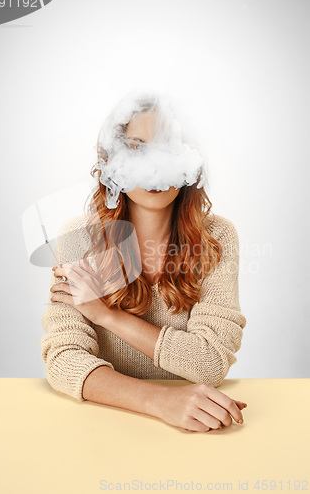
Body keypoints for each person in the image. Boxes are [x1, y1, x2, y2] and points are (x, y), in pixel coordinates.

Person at [40, 90, 248, 432]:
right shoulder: (78, 240)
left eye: (167, 147)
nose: (154, 165)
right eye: (137, 148)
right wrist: (160, 401)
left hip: (197, 427)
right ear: (111, 163)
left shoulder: (217, 238)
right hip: (102, 427)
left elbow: (209, 362)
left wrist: (106, 315)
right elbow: (64, 359)